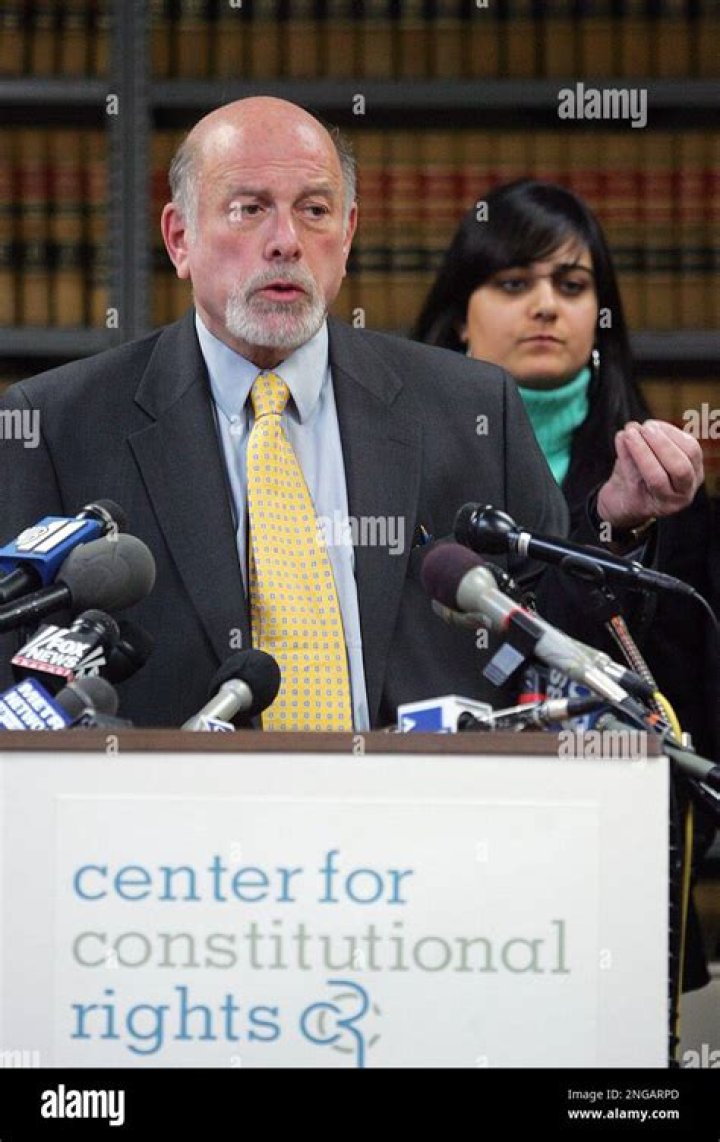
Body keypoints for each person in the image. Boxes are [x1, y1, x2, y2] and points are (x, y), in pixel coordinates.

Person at [0, 103, 704, 734]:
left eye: (314, 210)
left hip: (422, 821)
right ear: (180, 238)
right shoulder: (57, 425)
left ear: (348, 233)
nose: (286, 240)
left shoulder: (471, 406)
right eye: (249, 209)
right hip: (168, 829)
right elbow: (21, 685)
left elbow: (552, 646)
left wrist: (614, 525)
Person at [413, 178, 717, 992]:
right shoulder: (391, 469)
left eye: (572, 285)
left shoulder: (668, 492)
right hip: (431, 866)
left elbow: (690, 709)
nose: (545, 305)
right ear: (460, 315)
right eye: (513, 282)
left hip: (611, 872)